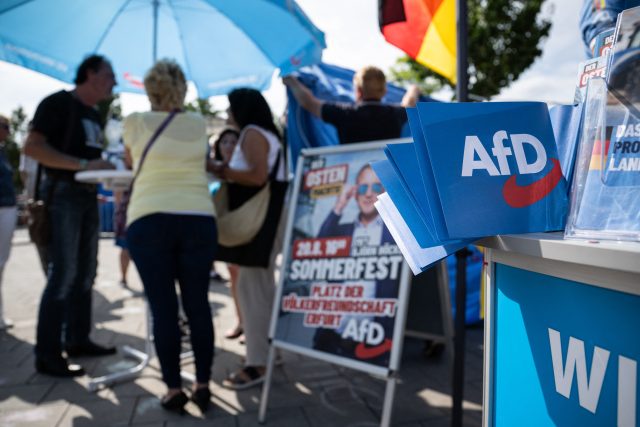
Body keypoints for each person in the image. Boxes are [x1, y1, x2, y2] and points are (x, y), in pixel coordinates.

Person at [123, 59, 217, 414]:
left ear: (150, 89)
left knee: (163, 309)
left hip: (148, 217)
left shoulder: (134, 122)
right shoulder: (197, 123)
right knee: (198, 306)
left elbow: (131, 160)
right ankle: (204, 384)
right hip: (197, 216)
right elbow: (204, 161)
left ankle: (174, 388)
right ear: (182, 88)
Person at [23, 54, 117, 377]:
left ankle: (77, 338)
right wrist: (83, 166)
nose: (113, 82)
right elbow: (32, 147)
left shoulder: (93, 113)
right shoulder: (57, 104)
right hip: (62, 195)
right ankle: (47, 353)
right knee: (63, 273)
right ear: (90, 74)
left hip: (88, 196)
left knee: (86, 271)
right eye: (109, 75)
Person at [212, 88, 287, 390]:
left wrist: (220, 169)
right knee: (261, 288)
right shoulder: (266, 132)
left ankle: (257, 364)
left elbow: (256, 177)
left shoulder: (253, 133)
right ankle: (271, 352)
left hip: (262, 220)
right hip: (270, 217)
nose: (228, 114)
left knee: (252, 289)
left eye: (231, 108)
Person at [313, 164, 397, 358]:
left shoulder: (395, 234)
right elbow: (317, 249)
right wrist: (339, 206)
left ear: (384, 192)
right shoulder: (343, 230)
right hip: (332, 334)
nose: (368, 193)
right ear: (355, 192)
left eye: (376, 187)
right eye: (362, 188)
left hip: (375, 340)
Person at [283, 65, 420, 144]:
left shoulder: (344, 113)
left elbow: (308, 102)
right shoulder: (396, 114)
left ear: (358, 91)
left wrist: (291, 81)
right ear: (384, 91)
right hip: (389, 181)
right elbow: (410, 103)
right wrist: (414, 88)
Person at [209, 128, 243, 340]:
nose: (229, 146)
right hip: (223, 230)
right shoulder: (212, 174)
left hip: (241, 229)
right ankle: (241, 320)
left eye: (234, 141)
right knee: (233, 274)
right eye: (225, 142)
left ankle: (252, 323)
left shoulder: (243, 169)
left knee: (244, 277)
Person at [0, 115, 16, 330]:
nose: (8, 132)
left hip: (7, 209)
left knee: (1, 264)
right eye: (5, 127)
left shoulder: (3, 152)